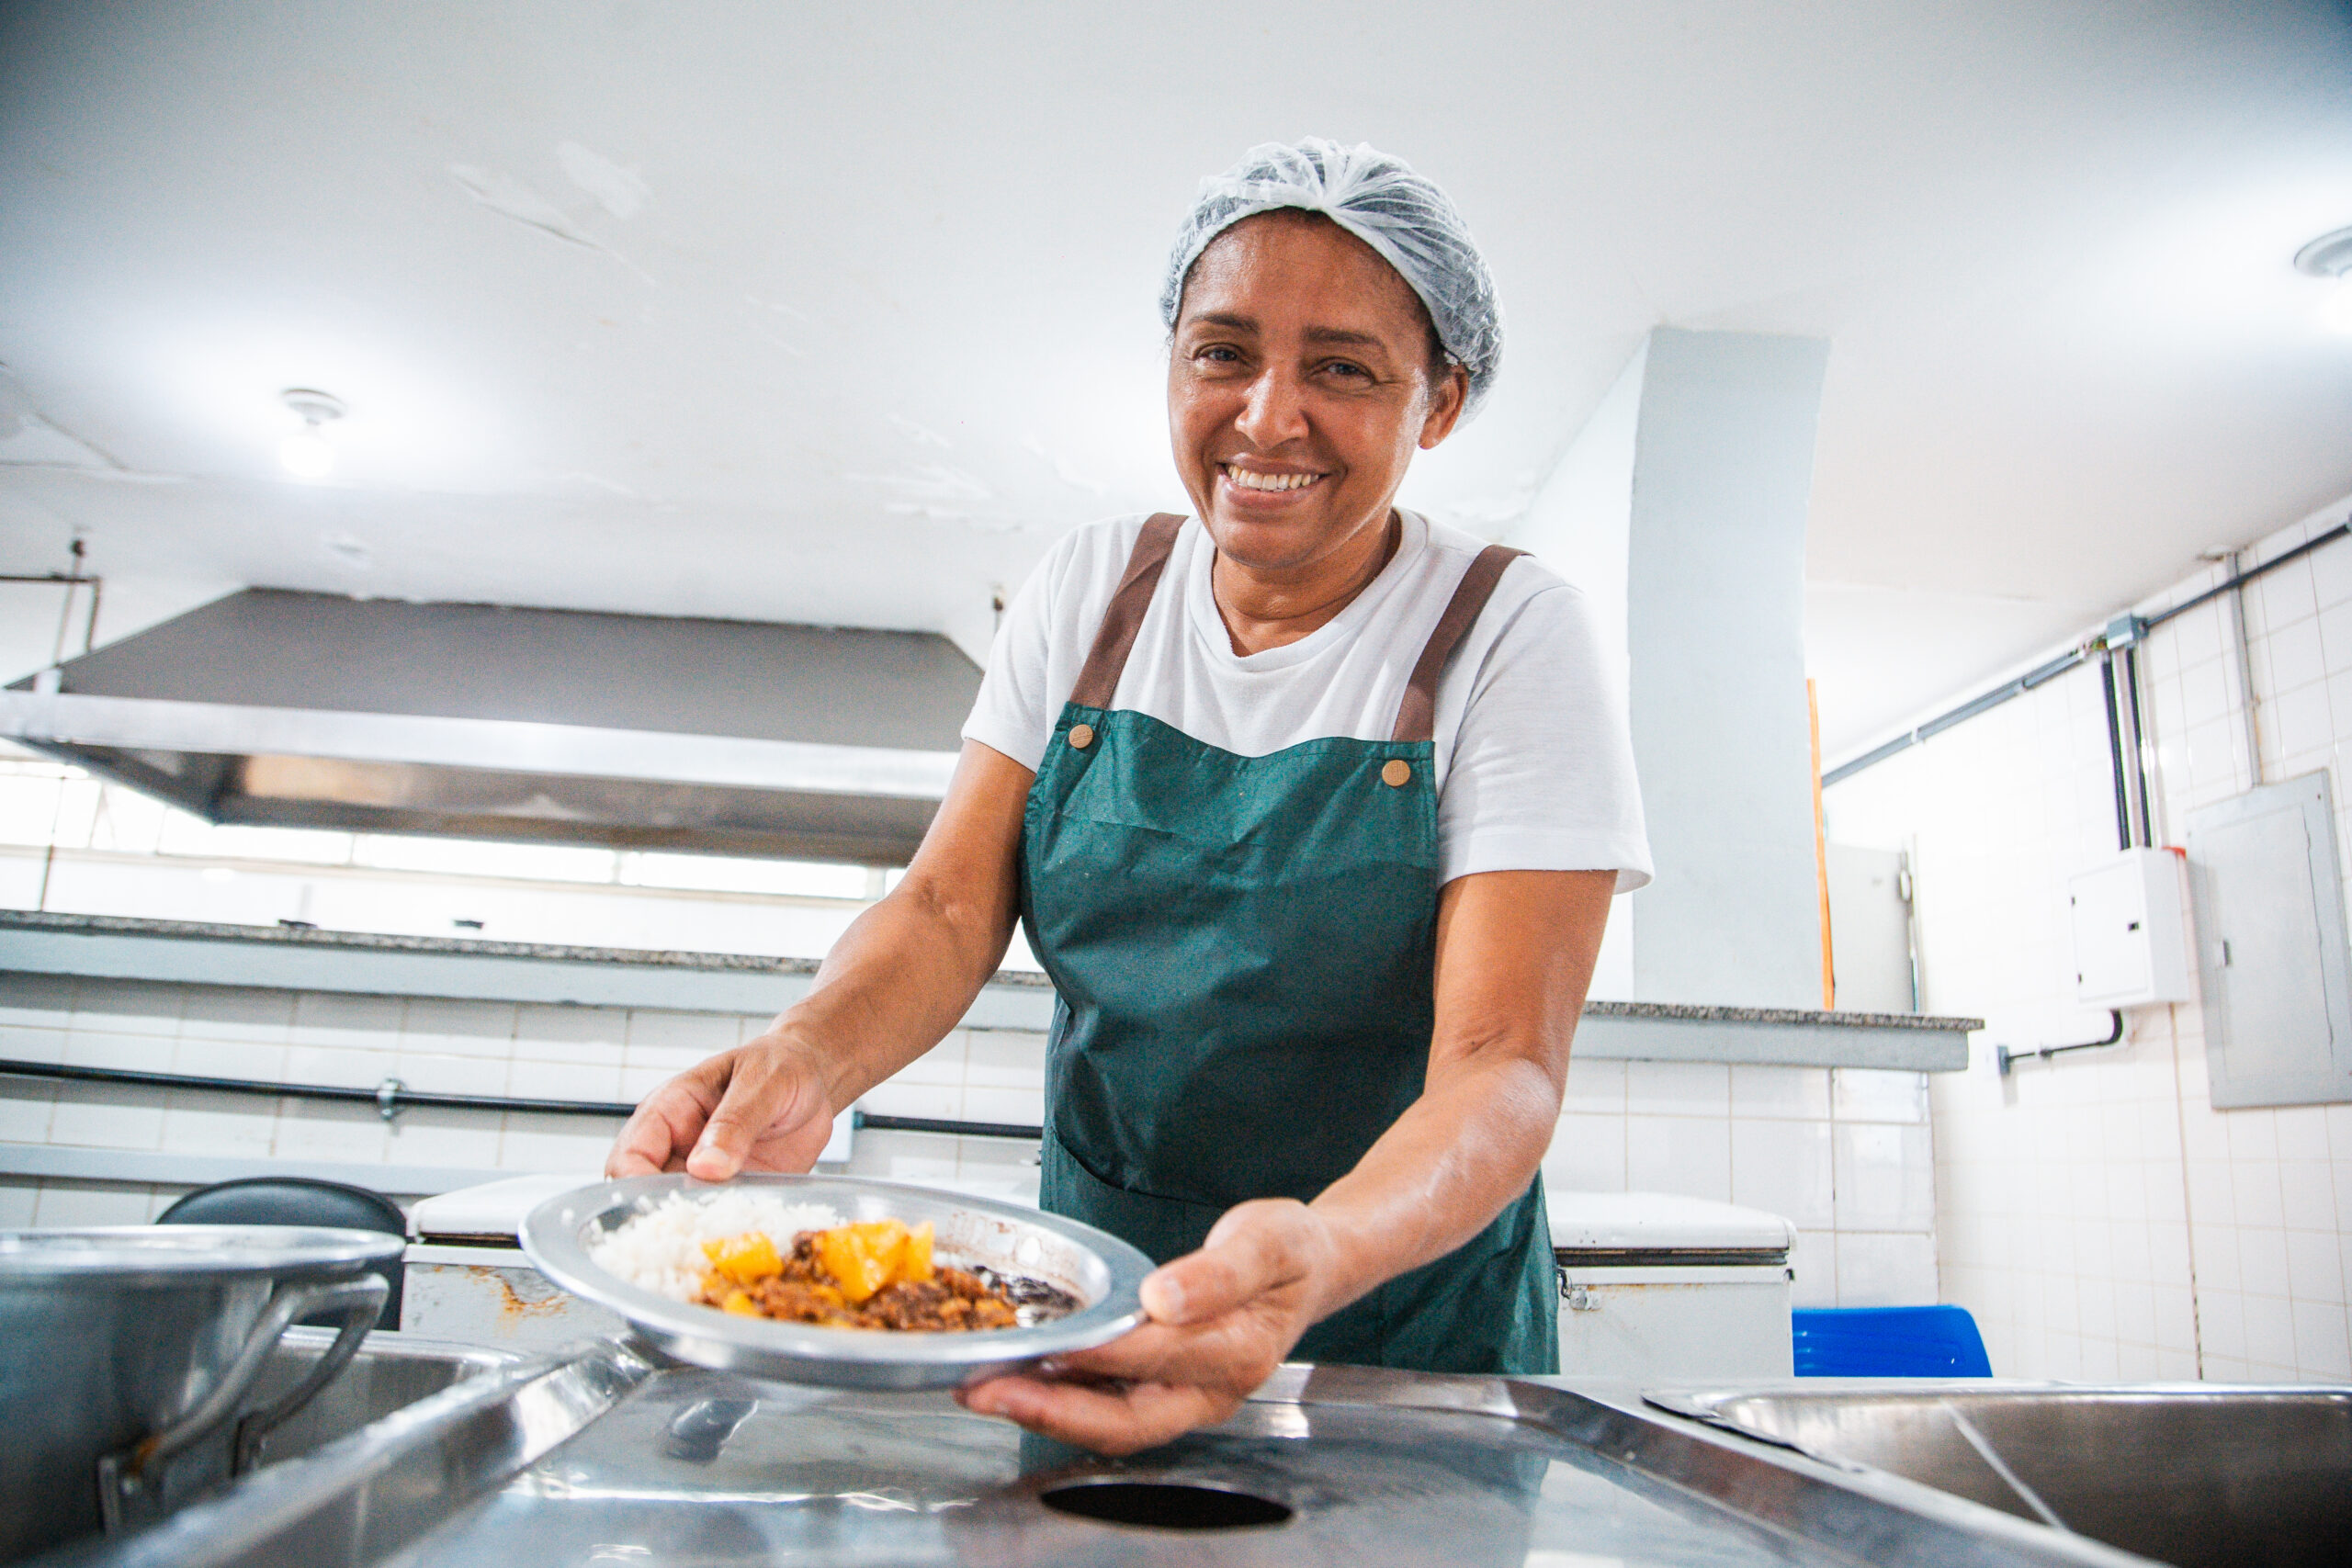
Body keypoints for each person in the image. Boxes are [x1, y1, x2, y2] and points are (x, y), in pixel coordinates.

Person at [608, 138, 1651, 1455]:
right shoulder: (1093, 590)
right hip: (1092, 1307)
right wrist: (809, 1053)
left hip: (1396, 1329)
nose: (1270, 416)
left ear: (1437, 403)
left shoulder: (1506, 630)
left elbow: (1503, 1068)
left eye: (1342, 367)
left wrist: (1320, 1255)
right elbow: (941, 906)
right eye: (1224, 352)